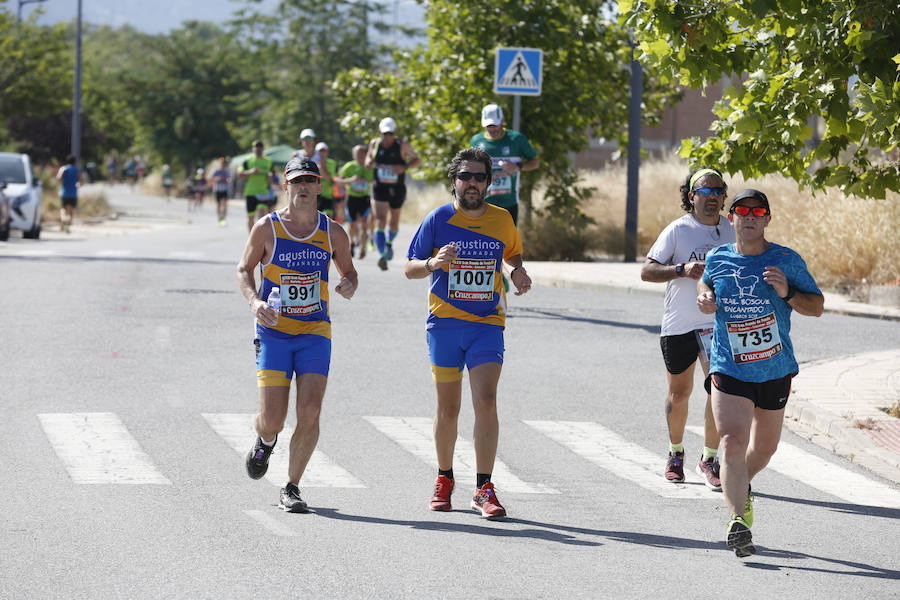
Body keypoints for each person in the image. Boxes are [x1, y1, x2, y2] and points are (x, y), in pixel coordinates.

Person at [405, 147, 532, 520]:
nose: (472, 183)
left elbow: (512, 253)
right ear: (454, 181)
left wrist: (517, 271)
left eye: (479, 177)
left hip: (486, 324)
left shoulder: (501, 219)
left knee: (486, 401)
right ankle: (444, 478)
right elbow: (410, 268)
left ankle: (483, 487)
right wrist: (433, 262)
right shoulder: (438, 219)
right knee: (448, 408)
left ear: (489, 183)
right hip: (444, 325)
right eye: (465, 176)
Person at [697, 188, 824, 557]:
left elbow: (816, 306)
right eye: (742, 211)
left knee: (764, 449)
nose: (750, 217)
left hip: (774, 368)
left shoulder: (786, 260)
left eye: (758, 212)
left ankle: (741, 483)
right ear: (731, 218)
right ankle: (737, 521)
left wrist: (787, 293)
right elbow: (707, 282)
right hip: (729, 365)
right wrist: (704, 296)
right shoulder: (718, 257)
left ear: (767, 219)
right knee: (732, 442)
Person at [236, 156, 358, 513]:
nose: (303, 187)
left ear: (320, 186)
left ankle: (291, 486)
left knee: (310, 410)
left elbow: (349, 272)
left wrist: (349, 284)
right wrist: (255, 301)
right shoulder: (266, 228)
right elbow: (244, 269)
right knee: (273, 419)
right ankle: (265, 439)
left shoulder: (333, 232)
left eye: (309, 181)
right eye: (296, 181)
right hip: (274, 332)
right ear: (285, 186)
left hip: (314, 332)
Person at [640, 167, 736, 490]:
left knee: (719, 390)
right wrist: (682, 269)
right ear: (691, 196)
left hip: (717, 325)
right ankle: (675, 452)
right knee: (679, 394)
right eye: (704, 191)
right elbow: (647, 271)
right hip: (679, 324)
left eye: (718, 191)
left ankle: (709, 458)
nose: (712, 198)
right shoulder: (679, 230)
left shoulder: (731, 230)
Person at [469, 103, 539, 226]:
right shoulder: (476, 141)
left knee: (507, 238)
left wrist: (517, 166)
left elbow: (535, 163)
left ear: (502, 120)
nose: (492, 129)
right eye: (489, 125)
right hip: (483, 203)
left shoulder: (517, 139)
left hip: (509, 203)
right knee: (483, 238)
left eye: (495, 125)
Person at [366, 116, 420, 271]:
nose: (388, 137)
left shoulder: (402, 145)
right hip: (380, 187)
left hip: (397, 188)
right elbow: (368, 160)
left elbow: (417, 160)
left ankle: (389, 243)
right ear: (380, 132)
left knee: (394, 222)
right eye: (385, 134)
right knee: (380, 219)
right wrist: (368, 162)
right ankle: (382, 255)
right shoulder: (374, 144)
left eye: (390, 133)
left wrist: (404, 167)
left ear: (395, 132)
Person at [337, 145, 373, 258]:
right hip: (352, 198)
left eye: (362, 153)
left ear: (365, 154)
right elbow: (338, 181)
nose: (359, 156)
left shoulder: (369, 167)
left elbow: (375, 181)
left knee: (363, 223)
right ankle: (352, 243)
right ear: (353, 155)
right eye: (357, 154)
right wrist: (351, 180)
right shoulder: (349, 166)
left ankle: (362, 247)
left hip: (364, 198)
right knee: (352, 224)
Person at [239, 140, 276, 231]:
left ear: (263, 148)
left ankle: (259, 237)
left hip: (263, 192)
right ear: (253, 148)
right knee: (251, 218)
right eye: (256, 146)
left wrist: (270, 177)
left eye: (260, 147)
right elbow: (239, 174)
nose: (258, 148)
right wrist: (250, 172)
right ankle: (251, 236)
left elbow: (272, 177)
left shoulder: (268, 161)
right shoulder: (248, 160)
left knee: (261, 217)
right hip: (250, 192)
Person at [56, 155, 82, 233]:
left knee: (63, 209)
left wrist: (63, 181)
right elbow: (81, 180)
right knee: (71, 212)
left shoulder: (63, 169)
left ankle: (63, 221)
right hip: (73, 193)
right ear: (75, 162)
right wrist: (78, 184)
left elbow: (58, 178)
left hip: (65, 192)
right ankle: (67, 226)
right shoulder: (77, 170)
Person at [315, 141, 338, 218]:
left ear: (327, 152)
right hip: (315, 196)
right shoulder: (313, 162)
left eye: (324, 150)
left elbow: (328, 178)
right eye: (320, 151)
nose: (322, 153)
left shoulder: (332, 163)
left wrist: (321, 166)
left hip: (328, 195)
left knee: (327, 217)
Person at [211, 157, 231, 226]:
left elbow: (229, 178)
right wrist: (216, 179)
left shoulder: (226, 171)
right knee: (219, 204)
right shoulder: (216, 171)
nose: (223, 165)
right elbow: (210, 178)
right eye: (222, 163)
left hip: (225, 189)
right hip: (217, 189)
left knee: (224, 204)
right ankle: (219, 217)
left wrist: (228, 180)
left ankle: (224, 218)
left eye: (224, 163)